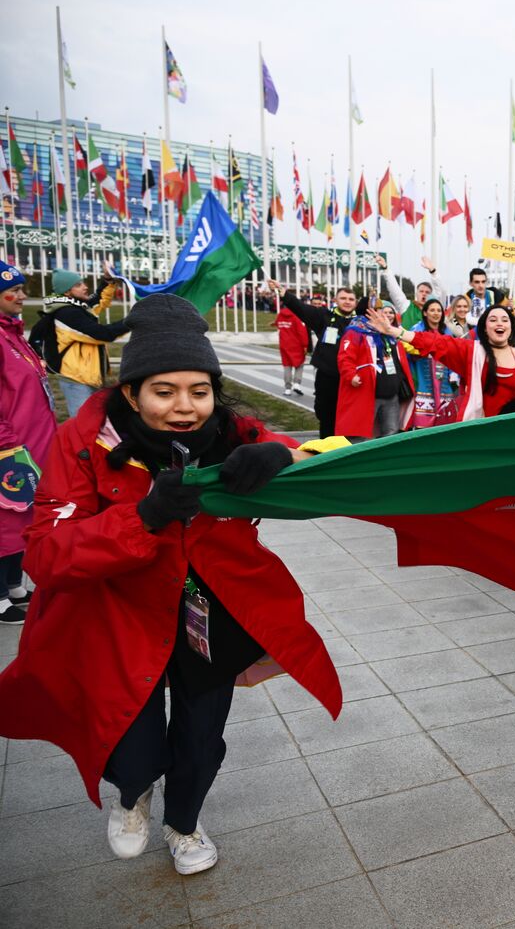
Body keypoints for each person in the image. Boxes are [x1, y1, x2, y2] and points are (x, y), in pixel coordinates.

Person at [0, 294, 342, 875]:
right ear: (131, 393)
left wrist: (280, 457)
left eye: (200, 391)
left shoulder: (232, 430)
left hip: (207, 613)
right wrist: (144, 517)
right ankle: (133, 793)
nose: (185, 408)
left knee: (202, 735)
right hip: (118, 619)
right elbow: (46, 552)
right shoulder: (83, 443)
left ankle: (184, 822)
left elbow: (318, 453)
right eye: (164, 391)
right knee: (130, 742)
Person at [0, 261, 57, 622]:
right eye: (14, 291)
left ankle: (14, 585)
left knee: (22, 518)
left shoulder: (13, 334)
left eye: (22, 289)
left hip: (32, 444)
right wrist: (7, 446)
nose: (22, 296)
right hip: (10, 447)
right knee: (4, 521)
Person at [366, 304, 515, 420]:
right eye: (493, 320)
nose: (499, 323)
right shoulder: (471, 350)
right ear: (484, 328)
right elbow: (434, 342)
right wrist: (394, 331)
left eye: (504, 320)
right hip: (478, 430)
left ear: (511, 326)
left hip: (513, 432)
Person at [29, 268, 127, 415]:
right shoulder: (67, 313)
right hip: (76, 380)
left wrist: (107, 280)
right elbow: (103, 334)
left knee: (95, 424)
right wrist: (132, 321)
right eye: (78, 285)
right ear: (67, 291)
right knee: (83, 426)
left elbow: (98, 300)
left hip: (89, 378)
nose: (85, 286)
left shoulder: (77, 306)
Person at [272, 280, 357, 439]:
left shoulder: (361, 322)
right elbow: (301, 309)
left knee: (349, 418)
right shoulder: (324, 316)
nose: (347, 302)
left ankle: (346, 451)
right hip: (327, 377)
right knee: (326, 415)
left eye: (351, 299)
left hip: (352, 379)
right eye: (343, 298)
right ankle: (326, 451)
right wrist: (284, 294)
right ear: (335, 301)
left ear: (355, 302)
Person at [336, 299, 411, 438]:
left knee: (391, 434)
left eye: (381, 309)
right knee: (362, 435)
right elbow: (345, 358)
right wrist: (351, 375)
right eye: (378, 309)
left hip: (392, 395)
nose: (382, 313)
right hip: (368, 394)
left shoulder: (389, 333)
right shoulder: (355, 332)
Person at [406, 300, 460, 428]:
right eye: (432, 310)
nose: (436, 313)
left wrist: (454, 374)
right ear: (425, 313)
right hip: (423, 382)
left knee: (445, 425)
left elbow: (455, 354)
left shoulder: (447, 331)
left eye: (439, 310)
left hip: (445, 384)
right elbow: (406, 350)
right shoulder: (416, 330)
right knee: (422, 427)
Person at [378, 255, 446, 331]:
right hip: (407, 342)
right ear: (416, 293)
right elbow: (394, 289)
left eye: (427, 292)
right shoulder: (406, 306)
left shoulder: (435, 309)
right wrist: (385, 269)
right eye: (421, 291)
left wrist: (433, 272)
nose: (424, 294)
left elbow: (442, 292)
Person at [275, 296, 309, 396]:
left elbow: (278, 324)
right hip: (296, 345)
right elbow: (301, 332)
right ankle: (297, 384)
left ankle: (287, 388)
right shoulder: (296, 317)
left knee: (287, 366)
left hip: (284, 345)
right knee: (299, 365)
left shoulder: (280, 315)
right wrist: (305, 345)